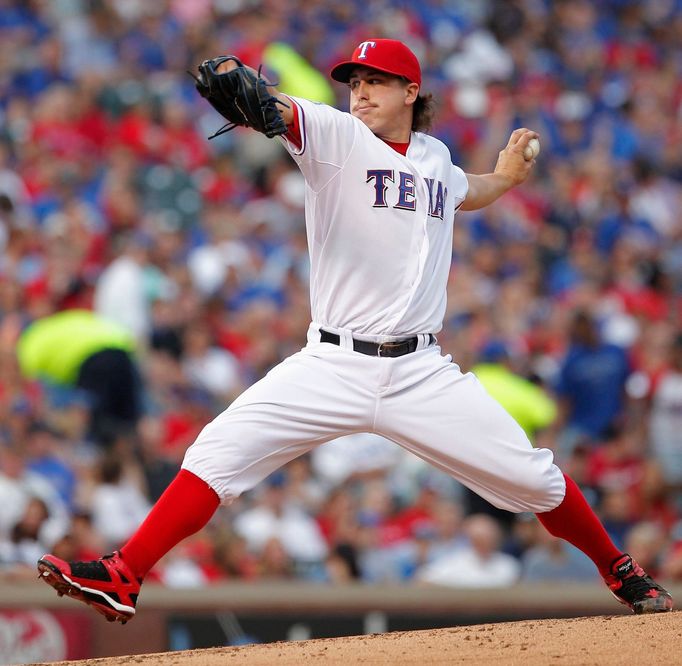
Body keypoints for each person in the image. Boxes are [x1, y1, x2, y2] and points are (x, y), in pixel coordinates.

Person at [37, 38, 672, 623]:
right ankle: (124, 574)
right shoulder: (337, 137)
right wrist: (259, 101)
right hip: (332, 363)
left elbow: (461, 191)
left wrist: (505, 177)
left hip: (421, 373)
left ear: (411, 92)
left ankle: (621, 571)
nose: (360, 91)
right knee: (214, 453)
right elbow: (280, 112)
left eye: (377, 81)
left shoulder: (435, 157)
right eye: (354, 81)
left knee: (535, 479)